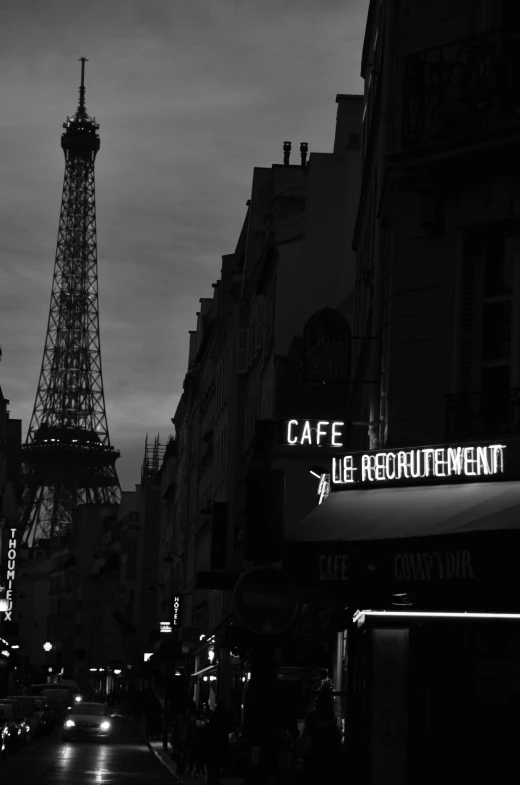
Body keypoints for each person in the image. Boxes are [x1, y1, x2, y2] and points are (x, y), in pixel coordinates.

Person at [204, 704, 230, 785]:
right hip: (218, 753)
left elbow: (206, 740)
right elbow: (225, 743)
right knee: (216, 775)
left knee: (211, 775)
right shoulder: (223, 728)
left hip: (211, 752)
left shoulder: (210, 726)